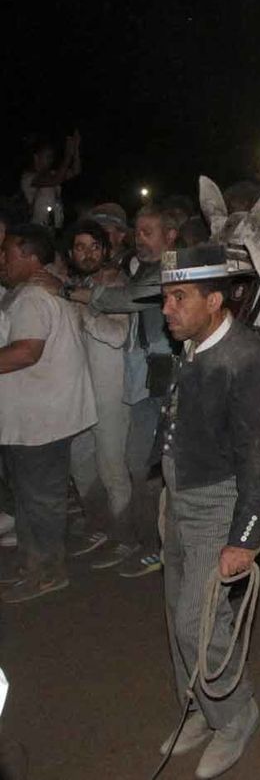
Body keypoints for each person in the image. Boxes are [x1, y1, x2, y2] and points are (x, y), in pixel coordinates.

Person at [151, 244, 260, 778]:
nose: (167, 309)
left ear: (215, 300)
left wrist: (245, 536)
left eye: (179, 297)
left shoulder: (245, 359)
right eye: (165, 297)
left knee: (195, 621)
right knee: (177, 608)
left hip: (216, 501)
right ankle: (200, 706)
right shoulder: (197, 343)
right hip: (179, 495)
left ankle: (235, 713)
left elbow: (257, 459)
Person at [75, 202, 182, 576]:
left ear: (171, 236)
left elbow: (130, 300)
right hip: (144, 382)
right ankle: (144, 539)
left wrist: (76, 294)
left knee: (149, 467)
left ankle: (159, 546)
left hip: (165, 382)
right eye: (137, 232)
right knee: (142, 466)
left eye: (147, 232)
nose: (139, 239)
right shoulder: (138, 269)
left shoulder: (172, 271)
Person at [0, 224, 96, 603]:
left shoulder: (33, 299)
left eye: (7, 253)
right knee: (31, 498)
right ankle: (34, 564)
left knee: (40, 499)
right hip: (36, 418)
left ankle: (47, 572)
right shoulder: (26, 295)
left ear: (29, 256)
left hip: (41, 421)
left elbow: (26, 351)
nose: (2, 260)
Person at [63, 218, 139, 567]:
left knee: (112, 468)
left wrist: (85, 312)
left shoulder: (116, 285)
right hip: (79, 395)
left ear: (106, 251)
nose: (88, 254)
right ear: (70, 252)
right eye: (80, 247)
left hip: (110, 394)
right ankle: (101, 525)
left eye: (94, 247)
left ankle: (125, 538)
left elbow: (117, 335)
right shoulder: (72, 286)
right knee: (80, 464)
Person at [19, 132, 81, 228]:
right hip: (38, 227)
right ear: (36, 157)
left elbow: (75, 171)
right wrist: (68, 155)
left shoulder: (51, 174)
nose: (51, 160)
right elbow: (55, 180)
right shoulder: (29, 177)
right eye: (47, 156)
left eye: (51, 157)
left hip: (55, 225)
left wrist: (75, 149)